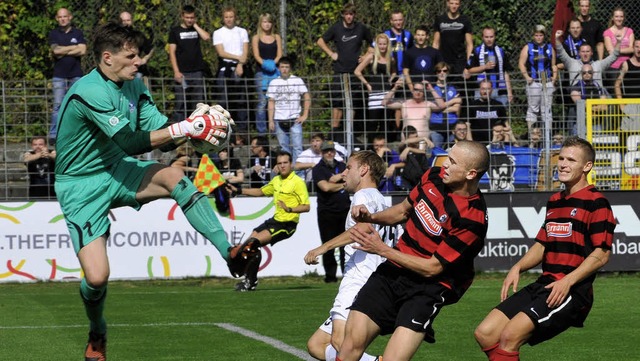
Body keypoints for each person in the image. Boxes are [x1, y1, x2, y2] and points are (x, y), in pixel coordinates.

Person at [54, 23, 257, 360]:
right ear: (107, 58)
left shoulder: (135, 85)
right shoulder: (88, 91)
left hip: (116, 168)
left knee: (176, 179)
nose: (138, 62)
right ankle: (98, 330)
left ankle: (230, 253)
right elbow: (131, 142)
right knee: (97, 277)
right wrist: (186, 128)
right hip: (79, 184)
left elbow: (159, 132)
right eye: (131, 56)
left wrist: (195, 130)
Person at [336, 140, 490, 361]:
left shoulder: (472, 218)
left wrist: (381, 249)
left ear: (470, 173)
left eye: (453, 162)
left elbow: (432, 268)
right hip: (393, 272)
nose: (445, 164)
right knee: (349, 346)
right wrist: (370, 217)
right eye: (448, 157)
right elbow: (403, 211)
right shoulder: (434, 176)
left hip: (430, 287)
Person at [474, 136, 615, 361]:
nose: (563, 164)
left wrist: (568, 281)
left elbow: (602, 254)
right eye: (561, 158)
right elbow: (542, 244)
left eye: (571, 159)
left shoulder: (596, 202)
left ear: (587, 166)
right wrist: (518, 267)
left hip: (572, 290)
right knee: (485, 333)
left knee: (510, 336)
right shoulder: (555, 200)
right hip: (545, 284)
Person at [304, 150, 400, 361]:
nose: (344, 173)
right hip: (376, 281)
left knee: (341, 343)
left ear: (364, 170)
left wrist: (323, 247)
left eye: (349, 167)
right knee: (317, 344)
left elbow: (363, 228)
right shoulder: (383, 202)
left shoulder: (362, 196)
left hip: (359, 278)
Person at [226, 151, 310, 291]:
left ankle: (250, 282)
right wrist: (239, 190)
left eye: (285, 163)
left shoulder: (297, 182)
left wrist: (289, 209)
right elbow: (261, 191)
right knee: (246, 246)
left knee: (253, 244)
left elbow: (306, 207)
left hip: (287, 225)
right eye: (279, 163)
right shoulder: (277, 180)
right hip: (274, 221)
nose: (282, 166)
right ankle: (244, 275)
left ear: (291, 164)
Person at [316, 3, 373, 143]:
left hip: (355, 72)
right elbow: (320, 41)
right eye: (347, 14)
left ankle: (349, 133)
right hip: (339, 71)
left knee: (352, 104)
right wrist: (331, 54)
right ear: (343, 14)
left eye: (351, 14)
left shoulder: (361, 28)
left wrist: (366, 56)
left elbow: (374, 43)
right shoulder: (336, 27)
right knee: (337, 103)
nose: (349, 17)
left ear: (354, 15)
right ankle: (334, 135)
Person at [312, 140, 351, 283]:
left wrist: (336, 181)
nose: (329, 153)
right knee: (327, 245)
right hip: (327, 212)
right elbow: (326, 188)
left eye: (331, 151)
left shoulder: (342, 166)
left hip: (344, 210)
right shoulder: (318, 169)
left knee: (345, 245)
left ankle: (346, 274)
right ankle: (330, 276)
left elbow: (350, 182)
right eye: (326, 151)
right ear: (322, 153)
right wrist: (343, 183)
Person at [48, 8, 87, 143]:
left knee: (77, 104)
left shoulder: (78, 32)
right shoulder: (53, 34)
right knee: (58, 105)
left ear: (70, 17)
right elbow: (55, 51)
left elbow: (82, 51)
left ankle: (77, 133)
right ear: (57, 19)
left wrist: (63, 50)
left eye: (65, 16)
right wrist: (73, 47)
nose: (63, 19)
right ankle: (54, 135)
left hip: (76, 74)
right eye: (60, 17)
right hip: (59, 76)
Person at [168, 5, 210, 122]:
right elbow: (172, 52)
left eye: (192, 17)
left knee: (199, 104)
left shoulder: (196, 29)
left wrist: (195, 25)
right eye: (187, 17)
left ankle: (199, 130)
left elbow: (206, 37)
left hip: (197, 72)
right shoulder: (175, 31)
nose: (189, 20)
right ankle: (179, 134)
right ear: (182, 16)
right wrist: (176, 71)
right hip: (182, 72)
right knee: (180, 103)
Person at [214, 6, 250, 139]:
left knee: (241, 101)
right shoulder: (218, 33)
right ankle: (223, 129)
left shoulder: (242, 32)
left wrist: (240, 64)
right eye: (226, 17)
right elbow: (221, 52)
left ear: (235, 17)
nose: (229, 19)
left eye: (231, 17)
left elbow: (245, 51)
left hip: (239, 69)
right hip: (225, 70)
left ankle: (242, 132)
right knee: (223, 101)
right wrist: (237, 58)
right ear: (223, 18)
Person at [267, 56, 310, 163]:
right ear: (279, 68)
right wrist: (271, 120)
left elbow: (307, 96)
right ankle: (286, 172)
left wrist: (305, 115)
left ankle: (299, 174)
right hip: (279, 119)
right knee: (283, 148)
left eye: (287, 67)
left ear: (290, 68)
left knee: (297, 148)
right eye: (282, 67)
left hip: (295, 119)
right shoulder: (274, 82)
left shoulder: (297, 80)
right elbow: (271, 102)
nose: (284, 69)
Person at [354, 33, 396, 144]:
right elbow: (357, 71)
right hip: (374, 93)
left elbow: (394, 72)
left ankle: (383, 148)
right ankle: (370, 147)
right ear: (377, 45)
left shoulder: (390, 58)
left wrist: (391, 80)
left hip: (387, 93)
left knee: (385, 123)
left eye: (384, 44)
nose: (382, 46)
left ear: (387, 45)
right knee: (373, 122)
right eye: (380, 44)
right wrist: (367, 84)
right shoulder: (371, 57)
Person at [518, 25, 557, 133]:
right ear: (533, 36)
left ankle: (547, 137)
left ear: (544, 36)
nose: (538, 37)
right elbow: (521, 64)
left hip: (547, 81)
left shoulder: (549, 48)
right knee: (533, 108)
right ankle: (532, 136)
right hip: (534, 81)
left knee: (547, 109)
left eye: (541, 35)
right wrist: (527, 77)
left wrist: (554, 79)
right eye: (536, 35)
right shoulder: (528, 47)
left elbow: (554, 65)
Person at [252, 13, 283, 136]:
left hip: (275, 72)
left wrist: (273, 65)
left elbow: (280, 54)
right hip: (261, 72)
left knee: (275, 100)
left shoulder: (277, 37)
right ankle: (262, 132)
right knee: (262, 102)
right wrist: (266, 65)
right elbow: (256, 55)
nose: (267, 24)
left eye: (269, 22)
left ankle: (276, 129)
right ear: (261, 23)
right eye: (264, 22)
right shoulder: (256, 38)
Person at [466, 26, 513, 105]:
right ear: (482, 37)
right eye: (486, 37)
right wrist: (484, 67)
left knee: (500, 115)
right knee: (481, 114)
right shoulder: (477, 51)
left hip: (500, 89)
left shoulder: (500, 51)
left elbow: (505, 72)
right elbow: (469, 70)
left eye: (491, 37)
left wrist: (509, 91)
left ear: (495, 37)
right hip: (482, 90)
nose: (489, 39)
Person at [432, 0, 473, 78]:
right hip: (443, 60)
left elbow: (469, 44)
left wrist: (468, 64)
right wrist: (434, 60)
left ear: (459, 5)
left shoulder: (465, 20)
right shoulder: (440, 19)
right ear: (448, 4)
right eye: (452, 3)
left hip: (459, 60)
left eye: (456, 4)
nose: (454, 6)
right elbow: (436, 43)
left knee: (458, 86)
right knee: (444, 84)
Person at [430, 62, 462, 147]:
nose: (442, 73)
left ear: (448, 72)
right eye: (439, 71)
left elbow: (456, 108)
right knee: (436, 153)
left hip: (452, 127)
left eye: (444, 71)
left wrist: (441, 107)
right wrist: (452, 101)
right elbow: (431, 108)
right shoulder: (431, 89)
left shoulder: (454, 88)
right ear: (436, 73)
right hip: (436, 128)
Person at [466, 80, 508, 144]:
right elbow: (467, 124)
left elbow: (506, 123)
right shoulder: (472, 105)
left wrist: (509, 141)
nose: (485, 92)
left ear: (492, 90)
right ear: (479, 90)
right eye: (483, 89)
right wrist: (471, 142)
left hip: (495, 142)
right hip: (477, 143)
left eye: (488, 89)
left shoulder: (498, 105)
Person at [402, 25, 444, 90]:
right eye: (418, 35)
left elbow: (441, 70)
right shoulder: (408, 52)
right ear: (415, 36)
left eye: (423, 35)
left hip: (432, 88)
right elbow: (405, 72)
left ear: (427, 37)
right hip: (415, 89)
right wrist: (412, 89)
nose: (420, 37)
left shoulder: (434, 52)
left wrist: (437, 87)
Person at [119, 11, 154, 86]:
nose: (126, 23)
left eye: (128, 20)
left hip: (137, 72)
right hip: (120, 70)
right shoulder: (115, 37)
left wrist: (144, 59)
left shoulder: (138, 36)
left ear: (131, 21)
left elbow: (150, 49)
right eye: (123, 21)